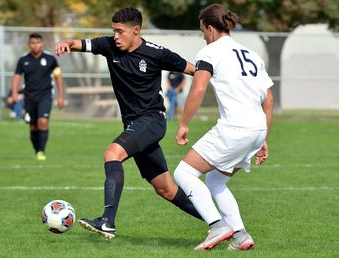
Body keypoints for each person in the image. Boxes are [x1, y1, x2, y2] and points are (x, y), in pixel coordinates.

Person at [55, 7, 202, 240]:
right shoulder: (109, 46)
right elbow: (79, 44)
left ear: (136, 30)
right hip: (134, 125)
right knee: (166, 189)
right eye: (113, 30)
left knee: (112, 154)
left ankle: (107, 222)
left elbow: (195, 70)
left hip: (152, 120)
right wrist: (66, 43)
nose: (115, 36)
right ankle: (220, 222)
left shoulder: (157, 53)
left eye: (120, 31)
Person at [173, 4, 274, 251]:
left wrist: (184, 123)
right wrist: (263, 138)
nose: (203, 37)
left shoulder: (209, 53)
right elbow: (268, 99)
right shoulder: (252, 54)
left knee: (183, 174)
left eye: (202, 31)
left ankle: (217, 226)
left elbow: (197, 89)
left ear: (209, 28)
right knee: (216, 181)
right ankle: (241, 236)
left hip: (235, 128)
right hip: (256, 128)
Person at [12, 33, 64, 161]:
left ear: (42, 43)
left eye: (38, 42)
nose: (36, 45)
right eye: (33, 43)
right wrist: (14, 93)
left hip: (45, 96)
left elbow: (58, 77)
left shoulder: (50, 58)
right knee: (33, 126)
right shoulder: (23, 60)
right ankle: (37, 150)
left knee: (43, 121)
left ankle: (41, 151)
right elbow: (17, 76)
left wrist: (61, 96)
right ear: (29, 44)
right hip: (29, 97)